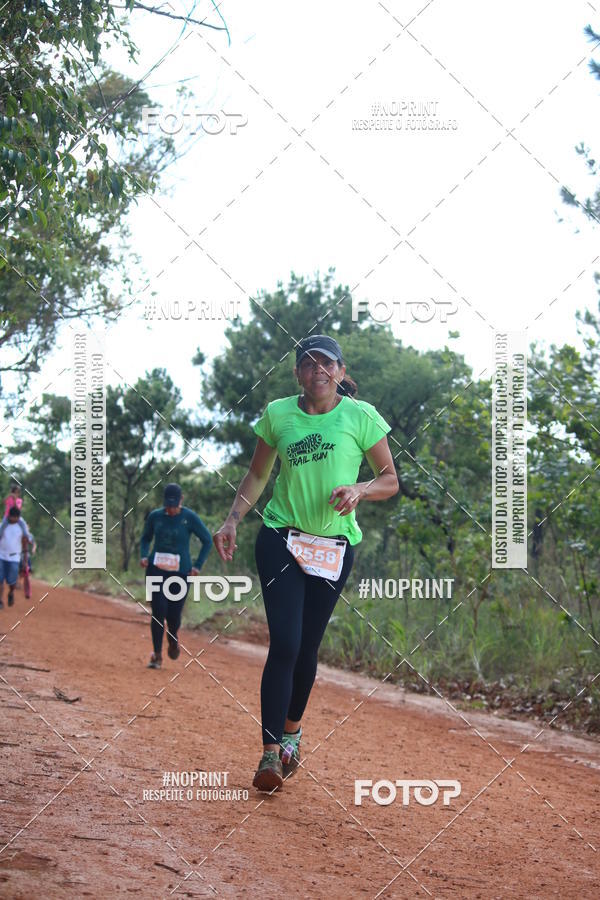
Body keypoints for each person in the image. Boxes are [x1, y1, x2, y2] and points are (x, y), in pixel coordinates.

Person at [214, 335, 399, 792]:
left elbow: (389, 479)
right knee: (285, 643)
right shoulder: (278, 414)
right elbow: (258, 473)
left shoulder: (361, 416)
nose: (319, 370)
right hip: (282, 537)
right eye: (309, 363)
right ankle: (270, 752)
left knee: (307, 646)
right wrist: (233, 519)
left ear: (340, 371)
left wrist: (359, 489)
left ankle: (292, 732)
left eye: (327, 363)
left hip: (333, 546)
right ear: (297, 373)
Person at [140, 483, 213, 669]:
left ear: (181, 500)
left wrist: (197, 566)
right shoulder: (155, 516)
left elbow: (207, 540)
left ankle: (173, 639)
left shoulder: (189, 518)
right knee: (158, 611)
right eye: (168, 505)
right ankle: (156, 655)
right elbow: (146, 538)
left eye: (174, 505)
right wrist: (144, 555)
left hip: (181, 574)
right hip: (156, 570)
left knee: (173, 615)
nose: (171, 509)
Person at [0, 507, 33, 608]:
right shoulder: (3, 526)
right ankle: (0, 601)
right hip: (1, 556)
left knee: (12, 581)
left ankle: (11, 592)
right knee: (0, 579)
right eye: (12, 517)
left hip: (14, 558)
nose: (13, 519)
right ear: (9, 516)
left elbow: (26, 544)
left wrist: (25, 560)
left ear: (18, 517)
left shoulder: (22, 528)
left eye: (15, 517)